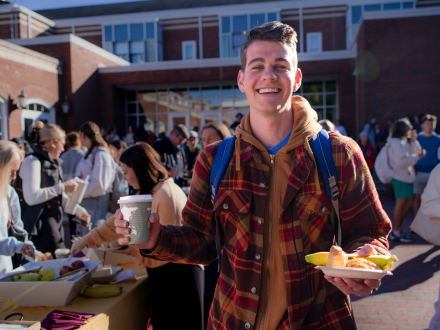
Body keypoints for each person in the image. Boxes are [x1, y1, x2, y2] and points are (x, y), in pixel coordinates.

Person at [114, 21, 392, 329]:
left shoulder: (339, 153)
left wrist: (365, 259)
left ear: (296, 78)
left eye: (280, 66)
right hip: (233, 319)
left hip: (321, 320)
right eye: (257, 66)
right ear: (242, 80)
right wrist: (158, 238)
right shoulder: (215, 159)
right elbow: (202, 242)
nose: (269, 75)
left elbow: (371, 231)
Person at [70, 143, 204, 330]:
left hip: (179, 281)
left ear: (140, 169)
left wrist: (130, 251)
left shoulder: (166, 194)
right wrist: (88, 239)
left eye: (125, 172)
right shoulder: (151, 190)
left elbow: (165, 251)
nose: (123, 178)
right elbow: (119, 222)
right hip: (167, 276)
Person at [19, 122, 90, 256]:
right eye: (62, 144)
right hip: (40, 226)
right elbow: (32, 197)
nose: (63, 149)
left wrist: (80, 212)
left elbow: (56, 195)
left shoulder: (51, 162)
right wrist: (63, 186)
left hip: (54, 222)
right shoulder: (32, 161)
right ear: (52, 142)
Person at [0, 141, 37, 273]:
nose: (14, 176)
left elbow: (18, 229)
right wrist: (17, 246)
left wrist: (31, 250)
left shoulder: (9, 192)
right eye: (11, 171)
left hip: (6, 271)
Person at [388, 119, 424, 243]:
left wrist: (414, 140)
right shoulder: (397, 143)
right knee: (401, 204)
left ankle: (398, 230)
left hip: (405, 177)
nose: (411, 129)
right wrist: (416, 158)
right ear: (402, 128)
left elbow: (417, 151)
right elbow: (401, 162)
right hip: (400, 177)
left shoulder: (402, 142)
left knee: (408, 204)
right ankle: (396, 232)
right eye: (408, 127)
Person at [76, 122, 116, 232]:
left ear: (82, 134)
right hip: (87, 204)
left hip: (96, 205)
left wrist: (79, 190)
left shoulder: (101, 154)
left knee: (94, 242)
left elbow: (100, 185)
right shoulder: (89, 153)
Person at [413, 115, 440, 216]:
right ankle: (416, 221)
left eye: (432, 124)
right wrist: (414, 169)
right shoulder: (417, 139)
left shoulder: (438, 140)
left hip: (433, 173)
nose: (430, 126)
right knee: (417, 198)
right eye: (427, 124)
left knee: (432, 199)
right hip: (419, 172)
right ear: (422, 125)